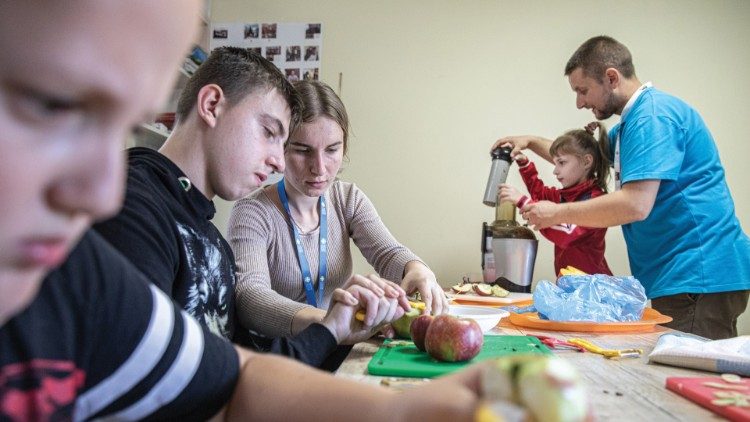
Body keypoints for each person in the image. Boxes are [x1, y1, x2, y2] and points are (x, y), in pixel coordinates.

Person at [0, 1, 486, 419]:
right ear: (211, 105)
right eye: (52, 105)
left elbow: (232, 381)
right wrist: (322, 325)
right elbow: (249, 299)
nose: (101, 194)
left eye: (123, 123)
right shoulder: (144, 208)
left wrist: (398, 409)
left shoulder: (117, 260)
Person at [93, 47, 405, 369]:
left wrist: (340, 328)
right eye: (269, 133)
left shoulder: (207, 233)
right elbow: (148, 374)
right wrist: (328, 328)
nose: (279, 163)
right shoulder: (131, 204)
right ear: (211, 105)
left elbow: (238, 365)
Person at [493, 35, 750, 339]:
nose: (579, 102)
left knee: (687, 379)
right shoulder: (628, 128)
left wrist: (555, 213)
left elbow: (635, 204)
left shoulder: (652, 118)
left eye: (583, 90)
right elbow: (580, 160)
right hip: (683, 275)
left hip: (699, 273)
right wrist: (530, 141)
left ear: (611, 78)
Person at [227, 80, 449, 341]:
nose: (319, 168)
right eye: (302, 150)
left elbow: (388, 254)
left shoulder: (347, 199)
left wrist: (419, 270)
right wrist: (330, 323)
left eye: (332, 149)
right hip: (279, 357)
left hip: (338, 345)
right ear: (280, 147)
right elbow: (250, 297)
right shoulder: (252, 213)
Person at [499, 123, 613, 276]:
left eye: (562, 163)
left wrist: (523, 201)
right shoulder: (565, 196)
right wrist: (525, 165)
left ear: (587, 162)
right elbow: (539, 195)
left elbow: (567, 234)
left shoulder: (596, 201)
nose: (555, 170)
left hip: (591, 287)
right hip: (570, 282)